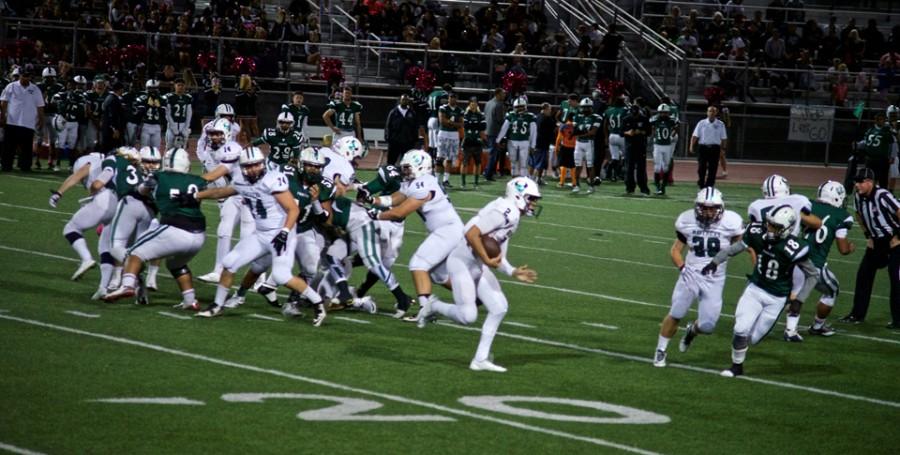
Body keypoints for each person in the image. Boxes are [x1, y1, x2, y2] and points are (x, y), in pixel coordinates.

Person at [188, 146, 327, 326]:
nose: (254, 169)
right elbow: (221, 192)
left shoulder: (272, 179)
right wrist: (197, 195)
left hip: (281, 233)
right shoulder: (240, 180)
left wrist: (284, 233)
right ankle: (217, 305)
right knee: (229, 263)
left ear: (263, 164)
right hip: (261, 234)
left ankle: (318, 304)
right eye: (249, 166)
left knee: (281, 275)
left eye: (257, 165)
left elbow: (293, 209)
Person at [416, 177, 541, 372]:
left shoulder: (512, 214)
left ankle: (480, 359)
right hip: (461, 263)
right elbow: (472, 233)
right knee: (468, 317)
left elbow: (499, 255)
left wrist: (512, 271)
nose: (534, 203)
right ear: (519, 195)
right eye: (531, 198)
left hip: (477, 265)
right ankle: (434, 305)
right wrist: (487, 259)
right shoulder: (506, 211)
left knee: (499, 307)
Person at [701, 205, 818, 377]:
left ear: (787, 229)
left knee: (753, 339)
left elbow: (813, 275)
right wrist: (715, 261)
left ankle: (740, 355)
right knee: (740, 329)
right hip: (755, 289)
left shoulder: (793, 247)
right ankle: (736, 366)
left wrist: (799, 300)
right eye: (770, 224)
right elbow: (735, 248)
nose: (770, 229)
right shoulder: (757, 233)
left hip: (776, 298)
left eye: (776, 227)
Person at [103, 148, 207, 311]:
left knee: (134, 253)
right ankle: (190, 300)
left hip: (175, 229)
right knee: (176, 265)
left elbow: (141, 190)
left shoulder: (158, 177)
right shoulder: (196, 180)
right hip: (199, 236)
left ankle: (128, 285)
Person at [654, 188, 743, 367]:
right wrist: (682, 267)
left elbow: (743, 244)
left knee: (708, 326)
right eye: (704, 207)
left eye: (713, 208)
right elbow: (675, 250)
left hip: (715, 278)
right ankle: (661, 350)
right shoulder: (686, 221)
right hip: (691, 274)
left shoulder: (731, 222)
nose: (708, 212)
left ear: (721, 208)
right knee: (676, 312)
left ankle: (692, 331)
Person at [371, 150, 465, 318]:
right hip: (447, 229)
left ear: (421, 167)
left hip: (447, 230)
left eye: (408, 168)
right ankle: (473, 295)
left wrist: (376, 215)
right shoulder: (416, 182)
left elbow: (399, 213)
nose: (405, 172)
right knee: (438, 275)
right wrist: (373, 201)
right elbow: (395, 199)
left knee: (418, 264)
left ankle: (425, 311)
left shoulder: (423, 184)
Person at [786, 181, 855, 339]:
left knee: (793, 292)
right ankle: (817, 326)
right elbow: (843, 249)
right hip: (815, 264)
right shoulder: (842, 216)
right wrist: (851, 247)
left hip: (793, 256)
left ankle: (789, 329)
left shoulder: (808, 204)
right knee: (832, 290)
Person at [840, 168, 900, 328]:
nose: (856, 185)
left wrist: (897, 237)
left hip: (895, 242)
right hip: (876, 242)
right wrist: (868, 236)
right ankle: (857, 314)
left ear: (870, 182)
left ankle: (898, 320)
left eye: (860, 182)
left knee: (896, 279)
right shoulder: (858, 198)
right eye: (855, 181)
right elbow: (859, 215)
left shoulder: (883, 195)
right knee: (863, 275)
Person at [48, 148, 111, 281]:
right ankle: (120, 280)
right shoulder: (110, 165)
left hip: (104, 201)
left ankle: (86, 259)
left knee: (70, 229)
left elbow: (76, 177)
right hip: (118, 203)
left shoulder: (88, 162)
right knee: (109, 245)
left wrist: (58, 193)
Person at [0, 65, 44, 172]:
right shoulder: (11, 86)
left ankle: (25, 166)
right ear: (20, 75)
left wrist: (41, 119)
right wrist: (2, 116)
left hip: (28, 122)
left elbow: (40, 106)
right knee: (9, 146)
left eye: (28, 76)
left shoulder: (35, 89)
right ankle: (6, 165)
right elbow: (4, 102)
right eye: (24, 75)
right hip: (12, 121)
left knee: (26, 147)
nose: (26, 78)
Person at [496, 96, 537, 178]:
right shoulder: (511, 115)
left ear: (525, 106)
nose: (519, 109)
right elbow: (504, 128)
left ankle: (523, 180)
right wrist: (498, 139)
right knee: (513, 162)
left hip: (524, 141)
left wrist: (533, 145)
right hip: (512, 141)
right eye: (518, 107)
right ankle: (514, 179)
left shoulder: (530, 116)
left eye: (521, 107)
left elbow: (533, 131)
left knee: (523, 163)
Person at [690, 105, 727, 189]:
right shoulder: (701, 123)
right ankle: (701, 182)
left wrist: (723, 149)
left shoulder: (720, 124)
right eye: (710, 111)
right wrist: (691, 146)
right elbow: (695, 136)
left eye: (713, 111)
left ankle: (709, 185)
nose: (711, 113)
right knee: (701, 167)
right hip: (703, 147)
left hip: (715, 148)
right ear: (707, 112)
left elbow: (724, 138)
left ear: (716, 113)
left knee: (713, 168)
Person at [570, 98, 602, 193]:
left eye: (587, 108)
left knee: (590, 166)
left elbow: (593, 132)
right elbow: (574, 130)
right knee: (578, 165)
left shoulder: (596, 117)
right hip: (579, 143)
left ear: (591, 108)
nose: (585, 109)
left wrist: (580, 134)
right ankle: (576, 185)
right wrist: (579, 133)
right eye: (584, 107)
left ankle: (591, 186)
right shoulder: (577, 116)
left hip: (589, 143)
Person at [36, 67, 64, 171]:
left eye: (51, 78)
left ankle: (50, 161)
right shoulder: (38, 86)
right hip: (42, 114)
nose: (50, 80)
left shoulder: (59, 87)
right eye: (48, 78)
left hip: (53, 115)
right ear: (43, 78)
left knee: (53, 140)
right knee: (39, 138)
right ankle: (37, 160)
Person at [857, 112, 895, 189]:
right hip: (870, 158)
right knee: (869, 178)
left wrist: (892, 156)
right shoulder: (870, 130)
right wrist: (858, 144)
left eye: (883, 120)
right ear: (876, 121)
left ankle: (882, 195)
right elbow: (865, 142)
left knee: (883, 180)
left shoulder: (886, 131)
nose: (882, 121)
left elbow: (892, 143)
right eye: (880, 120)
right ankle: (870, 194)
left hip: (882, 159)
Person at [384, 94, 424, 166]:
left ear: (408, 101)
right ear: (400, 101)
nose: (405, 101)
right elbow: (388, 125)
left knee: (407, 162)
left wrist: (415, 138)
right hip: (395, 141)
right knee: (391, 161)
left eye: (406, 100)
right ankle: (390, 175)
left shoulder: (412, 113)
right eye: (403, 100)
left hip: (408, 141)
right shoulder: (393, 112)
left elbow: (415, 127)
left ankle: (406, 176)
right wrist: (387, 136)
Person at [437, 92, 465, 188]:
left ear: (456, 99)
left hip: (454, 135)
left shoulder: (460, 110)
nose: (452, 99)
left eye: (454, 97)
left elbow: (461, 124)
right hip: (444, 134)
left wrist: (449, 122)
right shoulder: (443, 108)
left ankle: (445, 180)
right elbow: (442, 121)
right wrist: (453, 123)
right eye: (451, 97)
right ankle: (436, 181)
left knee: (450, 158)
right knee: (440, 158)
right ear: (448, 98)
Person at [622, 102, 651, 195]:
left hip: (640, 146)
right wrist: (628, 132)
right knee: (629, 168)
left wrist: (641, 132)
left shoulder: (644, 119)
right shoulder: (626, 119)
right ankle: (630, 187)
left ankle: (643, 187)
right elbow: (621, 132)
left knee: (641, 168)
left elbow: (649, 132)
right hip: (629, 146)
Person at [650, 104, 678, 195]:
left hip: (667, 146)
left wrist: (671, 136)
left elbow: (677, 127)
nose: (663, 114)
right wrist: (653, 135)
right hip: (658, 145)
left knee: (666, 167)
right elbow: (651, 127)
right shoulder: (655, 119)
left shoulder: (671, 120)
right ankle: (658, 187)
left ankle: (663, 187)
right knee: (657, 167)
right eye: (661, 113)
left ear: (668, 113)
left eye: (665, 113)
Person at [461, 96, 487, 188]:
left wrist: (473, 124)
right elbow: (466, 125)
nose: (474, 105)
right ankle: (463, 183)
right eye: (472, 103)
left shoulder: (481, 115)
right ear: (469, 104)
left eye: (475, 103)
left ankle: (476, 183)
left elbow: (483, 126)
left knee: (478, 163)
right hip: (468, 141)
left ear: (477, 104)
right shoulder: (466, 114)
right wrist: (476, 124)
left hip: (477, 141)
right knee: (465, 163)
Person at [483, 88, 507, 181]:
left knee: (491, 153)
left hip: (487, 130)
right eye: (503, 94)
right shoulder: (499, 105)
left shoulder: (488, 103)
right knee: (493, 154)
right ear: (497, 94)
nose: (504, 95)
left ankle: (487, 170)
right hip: (495, 131)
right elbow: (500, 119)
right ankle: (488, 173)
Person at [603, 95, 627, 182]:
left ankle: (609, 173)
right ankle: (620, 173)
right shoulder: (625, 110)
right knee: (625, 157)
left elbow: (605, 125)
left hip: (612, 135)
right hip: (622, 135)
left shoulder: (609, 110)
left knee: (615, 157)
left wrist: (606, 136)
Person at [164, 79, 193, 150]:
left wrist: (186, 127)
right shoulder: (170, 97)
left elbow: (189, 113)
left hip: (183, 124)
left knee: (182, 148)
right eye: (178, 85)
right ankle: (167, 161)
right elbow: (167, 113)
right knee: (169, 147)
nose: (180, 87)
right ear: (175, 86)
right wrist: (174, 128)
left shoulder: (187, 97)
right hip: (172, 124)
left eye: (182, 85)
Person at [531, 102, 555, 186]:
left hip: (538, 142)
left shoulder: (537, 117)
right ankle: (534, 179)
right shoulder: (545, 119)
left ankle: (538, 178)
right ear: (545, 109)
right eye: (549, 109)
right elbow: (550, 129)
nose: (550, 111)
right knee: (539, 163)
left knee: (540, 162)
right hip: (542, 143)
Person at [135, 79, 164, 149]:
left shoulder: (161, 98)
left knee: (156, 149)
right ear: (147, 88)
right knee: (144, 149)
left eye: (154, 88)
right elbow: (140, 113)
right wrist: (148, 104)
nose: (153, 91)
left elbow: (163, 113)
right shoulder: (142, 98)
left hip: (157, 125)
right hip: (145, 124)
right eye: (151, 88)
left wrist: (157, 104)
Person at [426, 84, 451, 162]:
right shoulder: (444, 94)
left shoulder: (432, 93)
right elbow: (444, 106)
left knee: (431, 143)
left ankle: (431, 160)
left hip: (430, 119)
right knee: (437, 142)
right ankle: (437, 161)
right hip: (437, 119)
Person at [100, 81, 127, 154]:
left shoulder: (109, 97)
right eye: (122, 89)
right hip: (111, 130)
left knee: (108, 148)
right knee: (111, 149)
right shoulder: (113, 99)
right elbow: (112, 115)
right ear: (120, 89)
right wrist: (115, 129)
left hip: (107, 127)